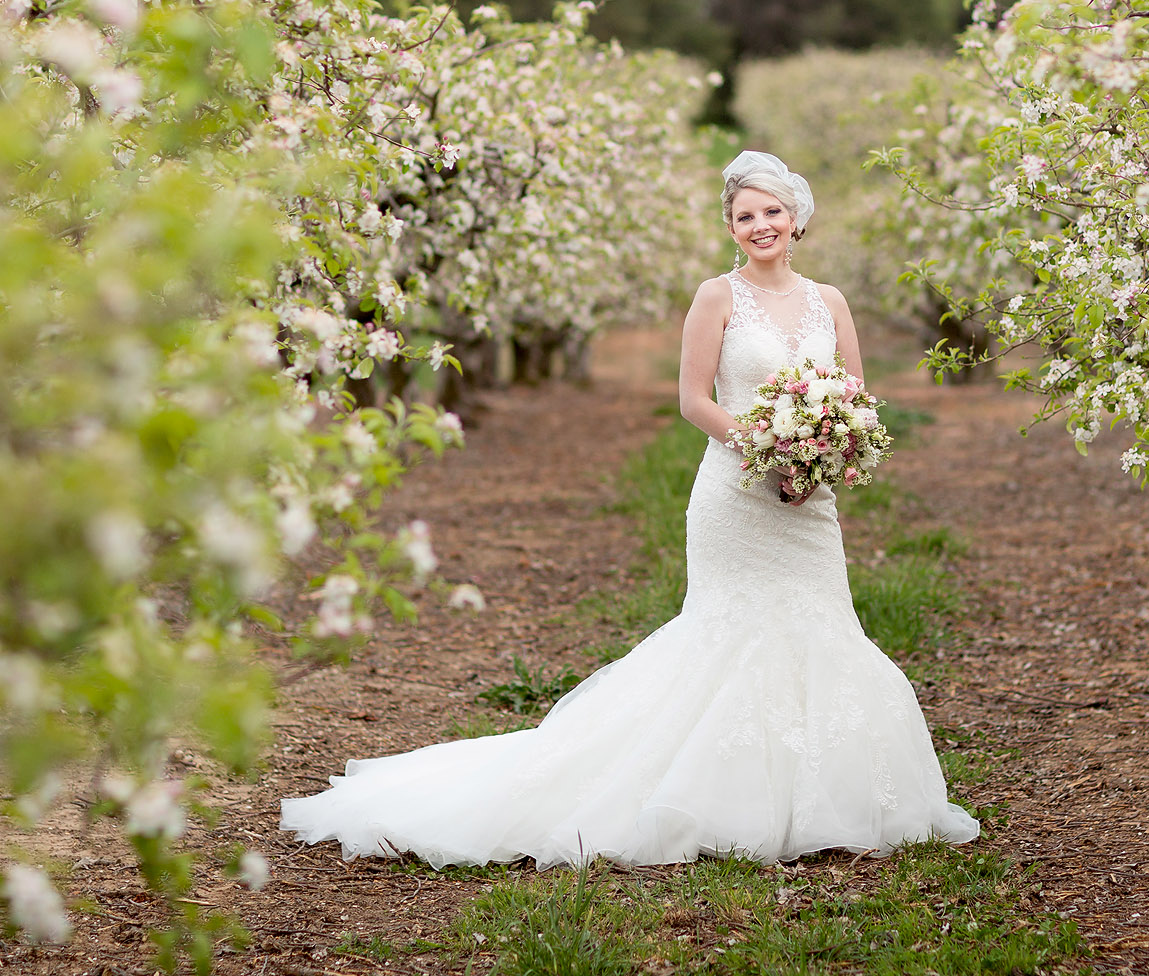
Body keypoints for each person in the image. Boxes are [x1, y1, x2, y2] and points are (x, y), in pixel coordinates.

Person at [279, 151, 979, 869]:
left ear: (797, 218)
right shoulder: (717, 297)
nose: (761, 225)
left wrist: (823, 456)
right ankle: (703, 798)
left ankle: (825, 799)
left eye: (772, 211)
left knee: (820, 624)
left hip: (811, 505)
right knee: (729, 634)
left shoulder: (829, 300)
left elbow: (854, 395)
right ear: (732, 230)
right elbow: (694, 399)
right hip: (737, 495)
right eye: (745, 217)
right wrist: (769, 450)